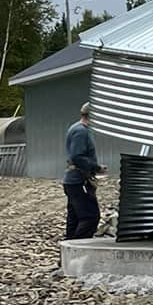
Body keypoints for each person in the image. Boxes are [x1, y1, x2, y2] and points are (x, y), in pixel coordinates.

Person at [63, 102, 102, 240]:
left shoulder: (78, 128)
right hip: (78, 180)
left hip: (74, 181)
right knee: (90, 217)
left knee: (75, 217)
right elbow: (77, 156)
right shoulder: (81, 132)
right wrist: (96, 167)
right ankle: (78, 246)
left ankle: (69, 247)